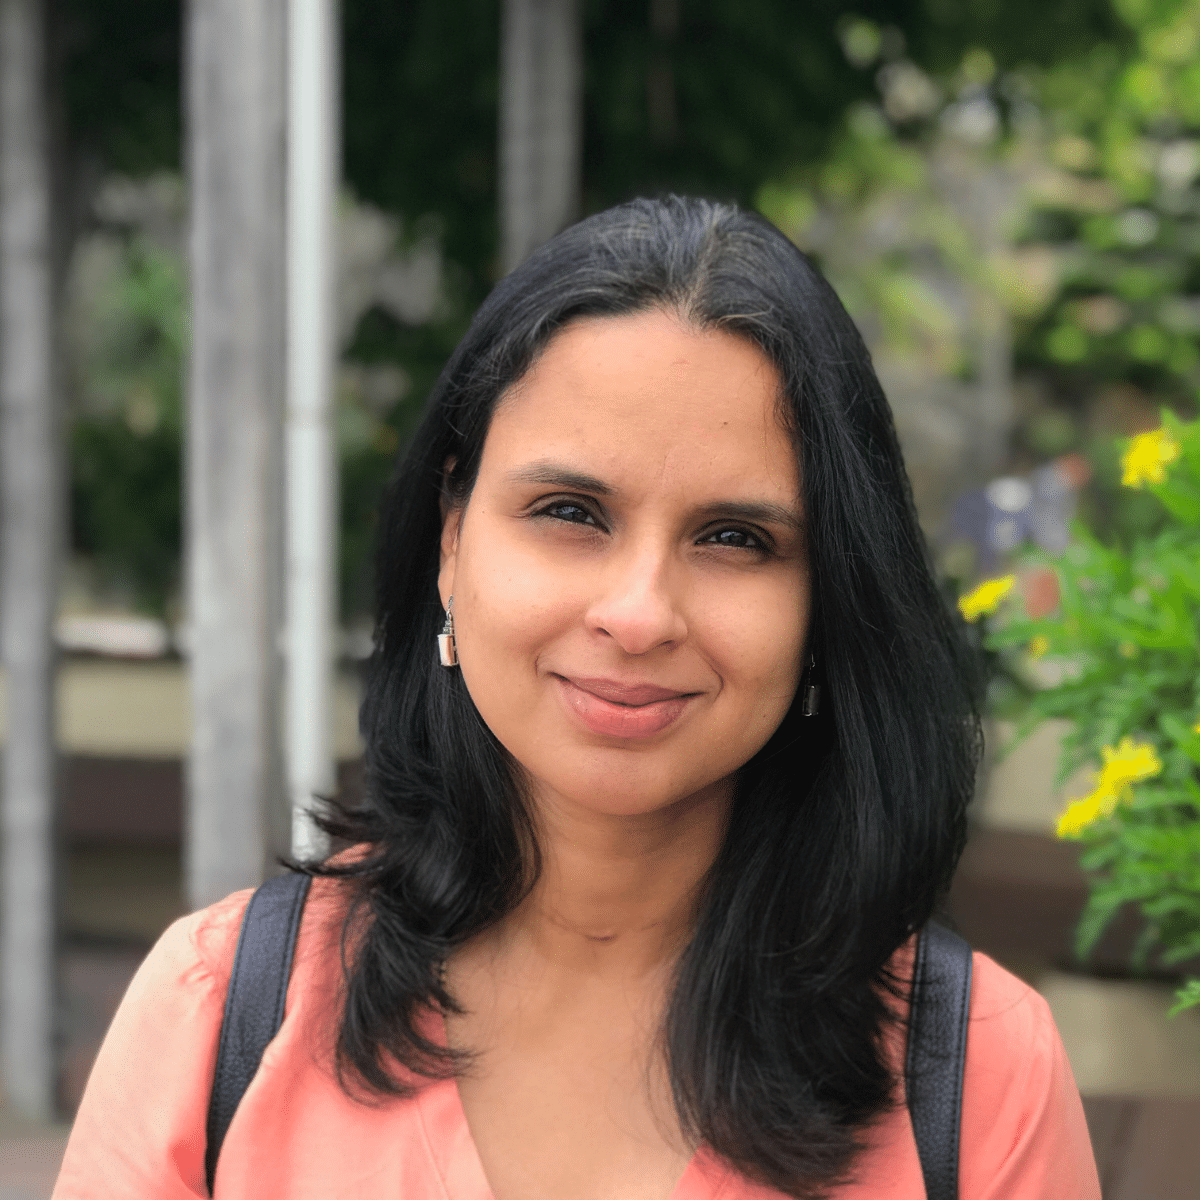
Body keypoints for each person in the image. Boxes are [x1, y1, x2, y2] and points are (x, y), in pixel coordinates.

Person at [53, 196, 1100, 1200]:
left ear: (828, 598)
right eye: (569, 512)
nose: (639, 613)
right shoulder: (220, 1016)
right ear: (454, 537)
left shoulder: (973, 1077)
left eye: (735, 538)